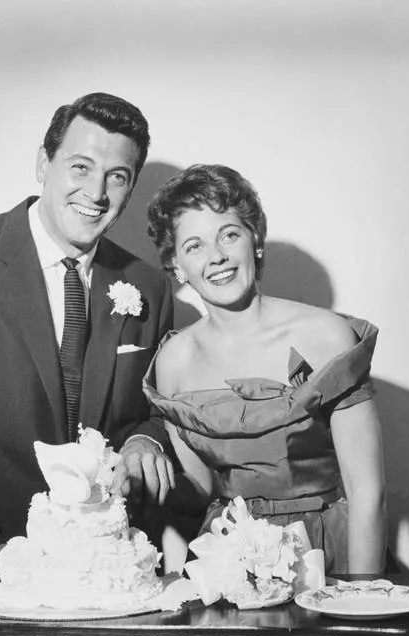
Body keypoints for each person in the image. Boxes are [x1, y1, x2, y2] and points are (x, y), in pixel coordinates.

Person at [0, 92, 175, 544]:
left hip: (105, 557)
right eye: (80, 167)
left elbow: (159, 411)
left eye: (117, 177)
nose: (96, 193)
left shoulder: (149, 286)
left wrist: (147, 439)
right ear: (44, 163)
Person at [144, 164, 387, 575]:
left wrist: (361, 598)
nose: (216, 257)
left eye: (229, 235)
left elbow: (368, 493)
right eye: (195, 246)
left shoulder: (325, 335)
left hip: (327, 553)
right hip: (227, 558)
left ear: (254, 240)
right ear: (176, 265)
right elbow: (199, 488)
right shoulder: (174, 360)